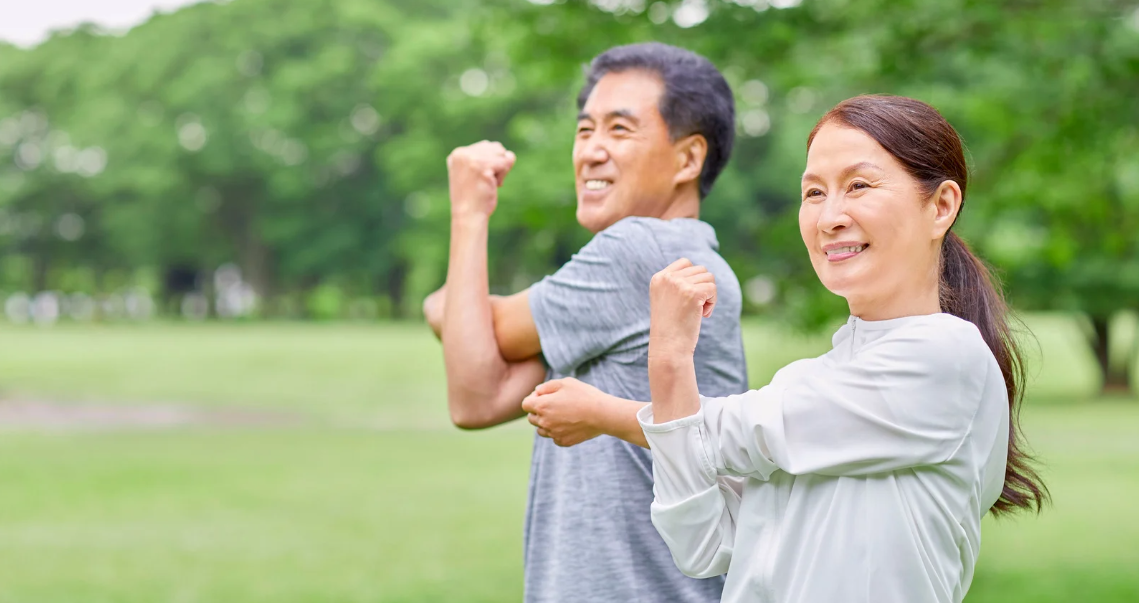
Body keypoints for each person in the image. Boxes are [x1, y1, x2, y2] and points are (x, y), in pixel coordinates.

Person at [530, 95, 1048, 602]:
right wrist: (670, 374)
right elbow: (704, 541)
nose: (830, 218)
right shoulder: (824, 376)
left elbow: (732, 435)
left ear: (941, 206)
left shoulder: (945, 356)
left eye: (859, 186)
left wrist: (656, 367)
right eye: (814, 193)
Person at [422, 43, 748, 602]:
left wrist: (469, 213)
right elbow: (479, 395)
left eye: (620, 130)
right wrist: (464, 313)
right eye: (584, 130)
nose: (592, 151)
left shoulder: (642, 251)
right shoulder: (683, 263)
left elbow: (471, 339)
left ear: (689, 159)